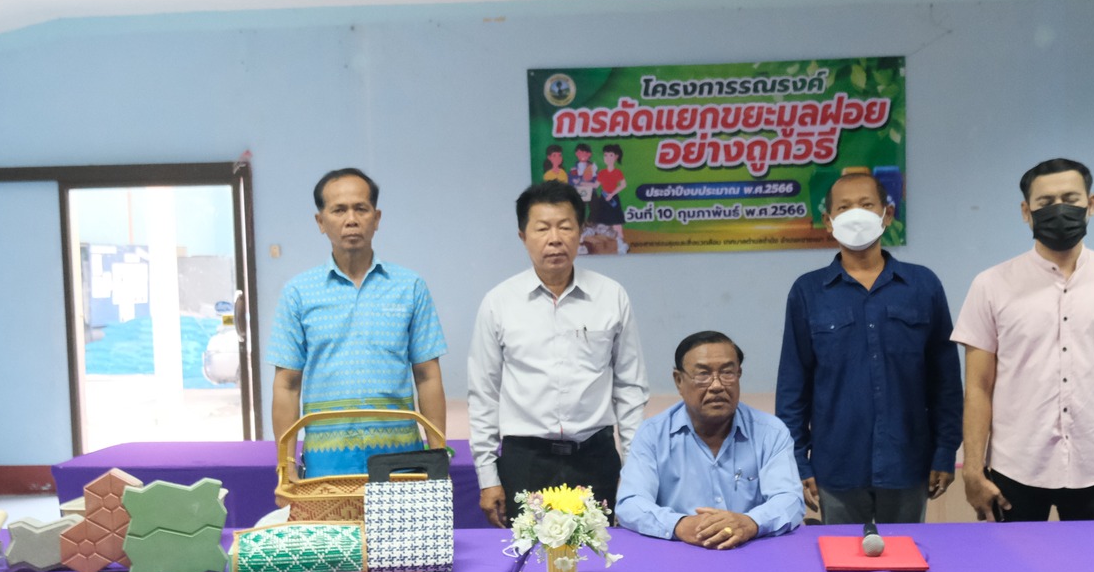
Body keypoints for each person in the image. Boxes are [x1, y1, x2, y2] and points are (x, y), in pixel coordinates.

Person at [953, 157, 1094, 522]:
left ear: (1090, 204)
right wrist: (972, 471)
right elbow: (978, 387)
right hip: (1014, 470)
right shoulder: (991, 285)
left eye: (1070, 199)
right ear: (1026, 211)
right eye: (1046, 202)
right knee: (1010, 562)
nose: (1059, 210)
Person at [776, 168, 962, 526]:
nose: (856, 215)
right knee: (840, 559)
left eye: (866, 204)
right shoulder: (808, 291)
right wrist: (797, 460)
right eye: (844, 208)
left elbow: (946, 382)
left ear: (886, 214)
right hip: (836, 465)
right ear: (828, 222)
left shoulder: (923, 285)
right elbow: (793, 385)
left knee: (906, 556)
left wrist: (944, 451)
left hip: (909, 462)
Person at [469, 180, 647, 525]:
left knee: (602, 554)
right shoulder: (499, 302)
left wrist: (634, 471)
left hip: (595, 457)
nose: (555, 239)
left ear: (581, 231)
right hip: (526, 461)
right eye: (542, 228)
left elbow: (630, 388)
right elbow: (484, 393)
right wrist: (488, 478)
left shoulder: (611, 296)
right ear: (523, 236)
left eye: (565, 227)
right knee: (527, 555)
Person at [267, 167, 446, 479]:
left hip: (402, 463)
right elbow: (287, 384)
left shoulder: (409, 287)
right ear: (320, 222)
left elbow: (427, 376)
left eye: (361, 209)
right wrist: (287, 463)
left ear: (376, 218)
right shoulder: (298, 292)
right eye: (339, 210)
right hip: (326, 467)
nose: (351, 219)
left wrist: (437, 457)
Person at [616, 330, 805, 547]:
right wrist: (679, 524)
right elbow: (630, 503)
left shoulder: (771, 432)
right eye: (703, 375)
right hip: (679, 552)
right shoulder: (652, 434)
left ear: (739, 374)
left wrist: (750, 522)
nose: (717, 385)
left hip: (750, 550)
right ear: (679, 380)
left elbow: (790, 500)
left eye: (727, 373)